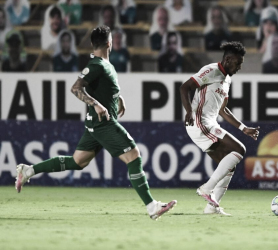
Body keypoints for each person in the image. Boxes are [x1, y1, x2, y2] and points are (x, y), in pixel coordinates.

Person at [15, 25, 177, 220]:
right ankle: (152, 207)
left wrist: (118, 97)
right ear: (110, 43)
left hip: (95, 124)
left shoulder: (105, 65)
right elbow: (75, 89)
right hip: (103, 123)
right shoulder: (96, 66)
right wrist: (97, 104)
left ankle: (28, 170)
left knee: (77, 161)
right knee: (134, 155)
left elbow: (104, 87)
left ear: (93, 44)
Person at [180, 42, 260, 215]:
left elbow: (223, 110)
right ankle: (207, 189)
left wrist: (243, 127)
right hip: (199, 122)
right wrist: (188, 111)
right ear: (228, 59)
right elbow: (184, 87)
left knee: (229, 165)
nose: (239, 67)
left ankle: (212, 207)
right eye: (238, 63)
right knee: (239, 149)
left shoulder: (227, 79)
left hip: (210, 123)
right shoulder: (211, 71)